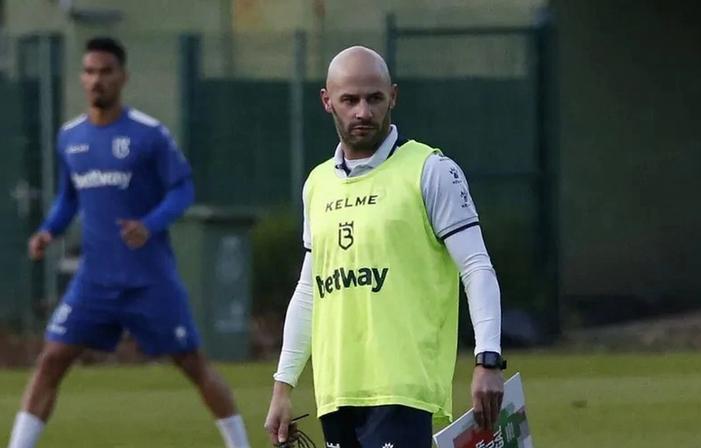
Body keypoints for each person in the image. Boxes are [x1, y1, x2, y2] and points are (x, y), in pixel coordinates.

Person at [6, 37, 251, 448]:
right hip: (94, 281)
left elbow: (182, 189)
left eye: (105, 71)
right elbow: (69, 197)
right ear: (82, 79)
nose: (96, 79)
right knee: (51, 359)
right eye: (89, 71)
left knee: (192, 363)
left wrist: (150, 224)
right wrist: (49, 230)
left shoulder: (148, 135)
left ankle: (240, 443)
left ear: (123, 77)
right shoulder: (70, 138)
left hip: (148, 279)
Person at [264, 46, 505, 447]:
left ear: (392, 96)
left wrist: (488, 359)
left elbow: (477, 267)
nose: (363, 111)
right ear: (327, 102)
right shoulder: (317, 184)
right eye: (350, 100)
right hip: (336, 391)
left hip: (402, 389)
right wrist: (282, 387)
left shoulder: (430, 170)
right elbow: (310, 289)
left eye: (374, 98)